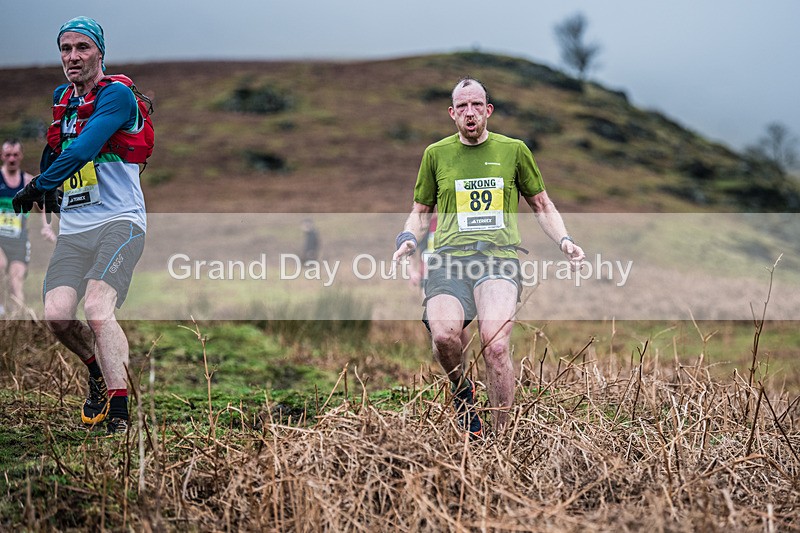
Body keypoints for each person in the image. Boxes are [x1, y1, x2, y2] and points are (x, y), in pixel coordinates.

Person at [392, 77, 585, 437]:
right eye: (462, 106)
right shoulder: (435, 154)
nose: (470, 112)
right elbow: (420, 211)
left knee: (495, 346)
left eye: (476, 105)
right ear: (452, 114)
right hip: (449, 260)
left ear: (488, 110)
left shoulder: (514, 150)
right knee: (445, 338)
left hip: (498, 260)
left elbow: (541, 205)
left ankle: (501, 439)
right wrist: (407, 238)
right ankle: (463, 397)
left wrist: (565, 240)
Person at [13, 16, 152, 435]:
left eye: (82, 48)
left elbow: (85, 149)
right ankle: (97, 371)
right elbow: (56, 148)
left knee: (96, 308)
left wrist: (37, 186)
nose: (72, 57)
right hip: (76, 229)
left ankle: (121, 415)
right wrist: (49, 189)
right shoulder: (63, 98)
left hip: (120, 222)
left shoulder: (117, 98)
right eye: (66, 49)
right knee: (56, 316)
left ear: (100, 53)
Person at [0, 139, 56, 316]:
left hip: (19, 241)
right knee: (0, 265)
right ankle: (1, 310)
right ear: (2, 156)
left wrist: (46, 227)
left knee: (16, 282)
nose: (12, 159)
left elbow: (44, 206)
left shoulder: (28, 181)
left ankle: (18, 321)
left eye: (15, 155)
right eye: (8, 155)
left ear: (21, 156)